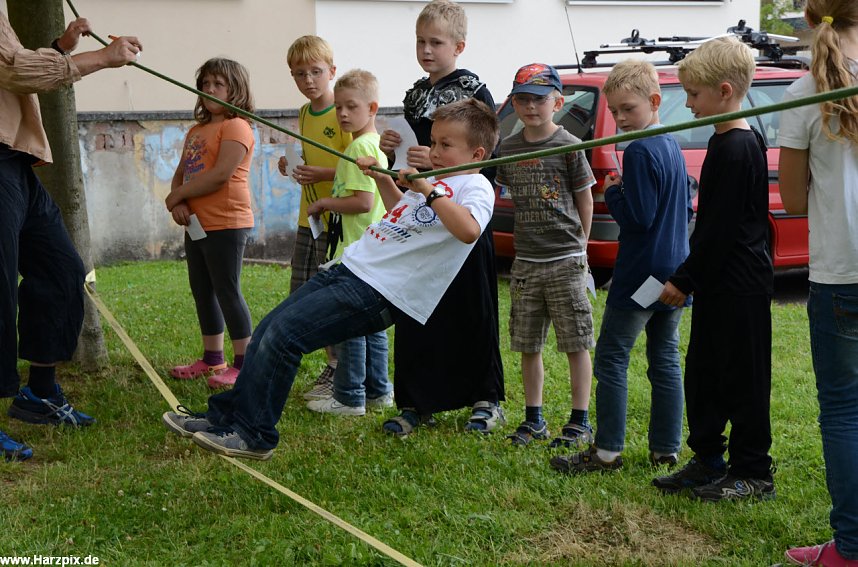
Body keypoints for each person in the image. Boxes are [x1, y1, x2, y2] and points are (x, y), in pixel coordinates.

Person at [162, 99, 499, 459]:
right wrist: (383, 178)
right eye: (434, 142)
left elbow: (468, 230)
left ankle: (253, 434)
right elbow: (400, 211)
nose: (434, 151)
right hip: (350, 268)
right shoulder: (435, 183)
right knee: (268, 329)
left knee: (284, 336)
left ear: (477, 152)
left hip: (379, 290)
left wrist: (428, 190)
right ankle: (225, 418)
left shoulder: (474, 187)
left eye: (445, 145)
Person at [0, 11, 141, 461]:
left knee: (62, 269)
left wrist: (60, 50)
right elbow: (14, 70)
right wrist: (101, 58)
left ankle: (38, 395)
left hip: (15, 160)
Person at [550, 60, 692, 473]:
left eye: (628, 108)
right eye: (615, 111)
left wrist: (613, 193)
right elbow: (683, 205)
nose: (621, 118)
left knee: (613, 356)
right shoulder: (670, 143)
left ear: (654, 101)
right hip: (674, 271)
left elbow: (639, 219)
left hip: (642, 276)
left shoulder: (641, 149)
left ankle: (607, 451)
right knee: (664, 357)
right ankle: (665, 449)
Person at [653, 37, 775, 501]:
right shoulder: (722, 142)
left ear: (724, 90)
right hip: (718, 285)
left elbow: (721, 232)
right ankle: (708, 460)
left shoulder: (739, 147)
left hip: (741, 286)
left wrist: (684, 279)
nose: (689, 104)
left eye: (695, 95)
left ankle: (753, 472)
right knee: (705, 373)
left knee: (743, 380)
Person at [377, 0, 505, 436]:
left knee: (475, 309)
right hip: (423, 214)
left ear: (459, 46)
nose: (426, 50)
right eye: (420, 41)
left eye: (436, 42)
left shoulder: (475, 90)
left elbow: (485, 158)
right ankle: (416, 401)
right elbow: (421, 150)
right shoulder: (414, 93)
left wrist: (436, 169)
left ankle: (486, 398)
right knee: (417, 305)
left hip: (463, 209)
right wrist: (393, 147)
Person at [778, 2, 858, 565]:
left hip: (842, 273)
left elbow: (795, 200)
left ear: (812, 17)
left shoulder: (804, 91)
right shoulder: (805, 90)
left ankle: (851, 549)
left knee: (846, 411)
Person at [493, 63, 596, 448]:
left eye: (538, 99)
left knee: (575, 342)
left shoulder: (568, 143)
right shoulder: (510, 147)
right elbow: (505, 193)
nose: (530, 107)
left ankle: (579, 421)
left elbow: (584, 196)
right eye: (522, 99)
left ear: (557, 101)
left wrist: (581, 246)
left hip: (565, 258)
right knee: (527, 343)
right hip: (526, 262)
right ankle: (534, 418)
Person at [303, 69, 392, 416]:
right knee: (372, 324)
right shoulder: (369, 143)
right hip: (369, 249)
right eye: (338, 107)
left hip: (355, 250)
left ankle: (350, 396)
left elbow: (363, 202)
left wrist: (325, 203)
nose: (342, 114)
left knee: (350, 323)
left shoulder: (360, 147)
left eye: (350, 107)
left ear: (371, 108)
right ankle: (379, 391)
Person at [165, 58, 256, 390]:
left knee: (227, 290)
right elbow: (183, 173)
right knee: (202, 289)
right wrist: (181, 201)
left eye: (218, 84)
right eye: (205, 84)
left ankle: (244, 363)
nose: (210, 90)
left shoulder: (237, 126)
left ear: (235, 89)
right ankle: (212, 358)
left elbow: (219, 176)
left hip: (226, 222)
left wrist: (174, 198)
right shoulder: (196, 130)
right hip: (197, 222)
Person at [278, 36, 351, 402]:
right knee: (304, 294)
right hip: (309, 219)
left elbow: (357, 165)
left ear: (332, 71)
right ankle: (331, 364)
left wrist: (321, 173)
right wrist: (289, 164)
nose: (308, 80)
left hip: (336, 220)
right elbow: (306, 157)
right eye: (299, 74)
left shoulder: (343, 112)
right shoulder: (305, 112)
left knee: (330, 297)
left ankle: (340, 370)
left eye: (316, 72)